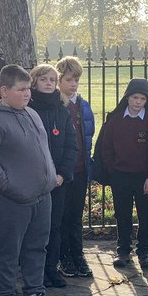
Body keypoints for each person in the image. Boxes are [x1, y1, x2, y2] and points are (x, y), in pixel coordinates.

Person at [0, 64, 57, 296]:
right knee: (8, 250)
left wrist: (51, 176)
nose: (27, 94)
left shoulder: (32, 114)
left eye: (28, 89)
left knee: (36, 247)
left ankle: (34, 294)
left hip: (42, 197)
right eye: (21, 90)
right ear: (4, 91)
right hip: (10, 199)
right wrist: (6, 183)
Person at [92, 79, 148, 271]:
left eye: (142, 98)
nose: (137, 102)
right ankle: (123, 250)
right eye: (134, 97)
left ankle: (144, 251)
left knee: (146, 215)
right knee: (122, 215)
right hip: (120, 175)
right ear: (127, 97)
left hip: (143, 177)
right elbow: (106, 147)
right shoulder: (115, 120)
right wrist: (111, 169)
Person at [28, 64, 76, 289]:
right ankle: (35, 271)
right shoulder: (28, 108)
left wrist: (63, 174)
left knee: (54, 226)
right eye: (44, 79)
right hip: (34, 180)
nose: (48, 83)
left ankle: (51, 268)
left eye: (52, 80)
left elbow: (70, 146)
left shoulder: (62, 110)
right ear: (34, 81)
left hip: (57, 180)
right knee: (35, 229)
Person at [55, 56, 95, 278]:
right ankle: (64, 256)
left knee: (75, 216)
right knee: (61, 216)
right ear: (59, 80)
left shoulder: (82, 104)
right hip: (62, 171)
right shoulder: (57, 105)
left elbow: (88, 133)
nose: (73, 84)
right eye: (69, 79)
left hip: (80, 168)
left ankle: (78, 254)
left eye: (76, 80)